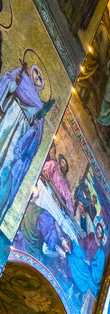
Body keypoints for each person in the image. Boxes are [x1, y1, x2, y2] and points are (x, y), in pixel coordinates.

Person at [0, 60, 54, 224]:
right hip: (8, 117)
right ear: (32, 71)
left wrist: (34, 127)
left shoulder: (39, 105)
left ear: (41, 86)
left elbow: (37, 137)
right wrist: (13, 83)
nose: (37, 76)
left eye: (40, 78)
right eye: (36, 72)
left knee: (6, 163)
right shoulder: (20, 75)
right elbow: (6, 83)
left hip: (20, 131)